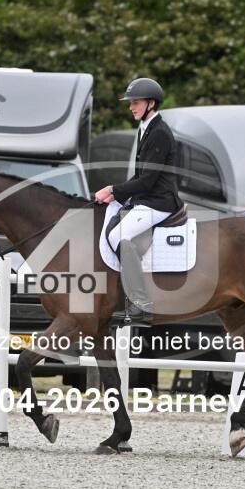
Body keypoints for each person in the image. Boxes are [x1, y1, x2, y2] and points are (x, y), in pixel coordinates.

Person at [94, 77, 183, 324]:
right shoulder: (146, 128)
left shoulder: (160, 133)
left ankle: (140, 303)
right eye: (130, 102)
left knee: (119, 236)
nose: (130, 107)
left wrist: (113, 188)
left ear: (151, 103)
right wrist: (116, 194)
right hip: (148, 198)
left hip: (160, 202)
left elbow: (148, 181)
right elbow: (140, 175)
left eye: (135, 102)